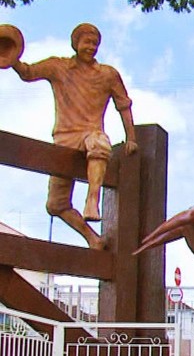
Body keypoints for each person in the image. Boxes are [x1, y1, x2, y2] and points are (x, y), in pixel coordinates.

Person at [12, 23, 138, 250]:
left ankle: (92, 200)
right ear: (76, 43)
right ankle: (92, 238)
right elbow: (28, 72)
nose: (91, 47)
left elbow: (124, 105)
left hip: (92, 133)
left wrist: (131, 137)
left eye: (95, 43)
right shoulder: (58, 67)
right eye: (87, 42)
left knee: (99, 143)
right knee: (56, 204)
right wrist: (11, 57)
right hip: (64, 139)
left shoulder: (108, 75)